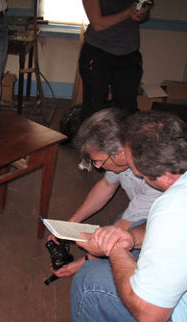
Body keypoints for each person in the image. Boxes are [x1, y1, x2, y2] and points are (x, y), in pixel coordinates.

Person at [70, 111, 187, 322]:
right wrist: (131, 238)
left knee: (89, 282)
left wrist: (111, 250)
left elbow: (150, 314)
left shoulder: (170, 207)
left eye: (140, 172)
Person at [49, 108, 161, 278]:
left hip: (163, 220)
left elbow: (118, 232)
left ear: (121, 153)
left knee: (116, 259)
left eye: (98, 161)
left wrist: (84, 262)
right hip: (139, 210)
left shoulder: (153, 178)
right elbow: (107, 186)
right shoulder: (120, 156)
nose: (98, 167)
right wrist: (70, 225)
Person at [79, 0, 153, 121]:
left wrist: (140, 13)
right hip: (97, 51)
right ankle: (91, 139)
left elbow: (142, 17)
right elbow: (97, 24)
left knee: (127, 110)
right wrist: (130, 12)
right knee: (94, 109)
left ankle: (121, 139)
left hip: (129, 53)